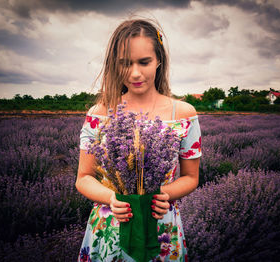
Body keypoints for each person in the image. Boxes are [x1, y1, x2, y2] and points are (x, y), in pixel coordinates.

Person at [76, 18, 201, 261]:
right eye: (125, 63)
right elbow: (83, 178)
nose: (135, 73)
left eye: (144, 62)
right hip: (110, 225)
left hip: (161, 226)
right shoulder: (99, 114)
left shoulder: (184, 115)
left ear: (159, 61)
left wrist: (164, 194)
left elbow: (191, 177)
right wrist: (112, 198)